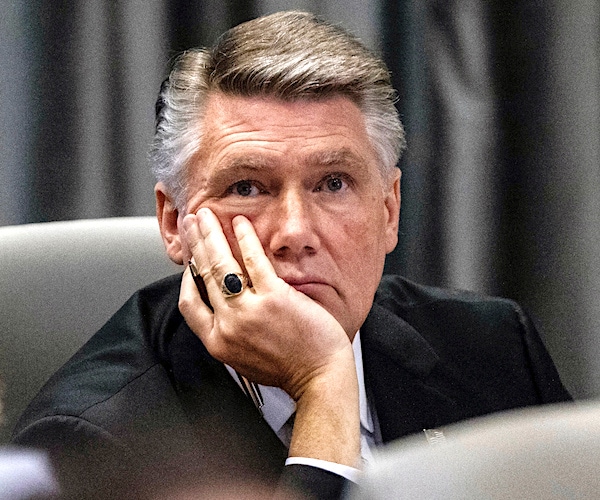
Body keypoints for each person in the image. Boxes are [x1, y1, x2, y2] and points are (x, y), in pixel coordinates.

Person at [12, 10, 571, 499]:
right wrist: (324, 384)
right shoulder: (90, 442)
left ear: (389, 211)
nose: (295, 232)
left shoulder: (494, 346)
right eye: (248, 188)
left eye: (333, 183)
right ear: (174, 223)